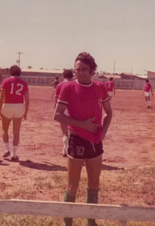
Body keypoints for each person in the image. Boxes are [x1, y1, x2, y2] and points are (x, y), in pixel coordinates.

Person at [54, 52, 112, 226]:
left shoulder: (100, 87)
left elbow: (109, 112)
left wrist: (103, 133)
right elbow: (57, 115)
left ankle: (91, 221)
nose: (79, 73)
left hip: (95, 142)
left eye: (84, 69)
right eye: (77, 69)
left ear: (92, 70)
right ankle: (68, 223)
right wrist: (82, 125)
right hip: (76, 140)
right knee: (72, 185)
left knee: (94, 184)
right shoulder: (68, 87)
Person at [0, 65, 29, 161]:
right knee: (16, 132)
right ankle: (14, 155)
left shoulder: (6, 81)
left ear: (10, 72)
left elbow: (1, 97)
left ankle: (7, 149)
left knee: (4, 129)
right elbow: (27, 100)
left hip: (7, 105)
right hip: (19, 106)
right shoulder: (24, 83)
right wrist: (26, 112)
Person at [55, 69, 74, 157]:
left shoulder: (59, 85)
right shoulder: (74, 84)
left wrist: (56, 108)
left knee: (64, 130)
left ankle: (65, 149)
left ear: (63, 76)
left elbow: (56, 99)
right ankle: (69, 148)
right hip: (73, 109)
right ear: (72, 76)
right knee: (73, 130)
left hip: (62, 108)